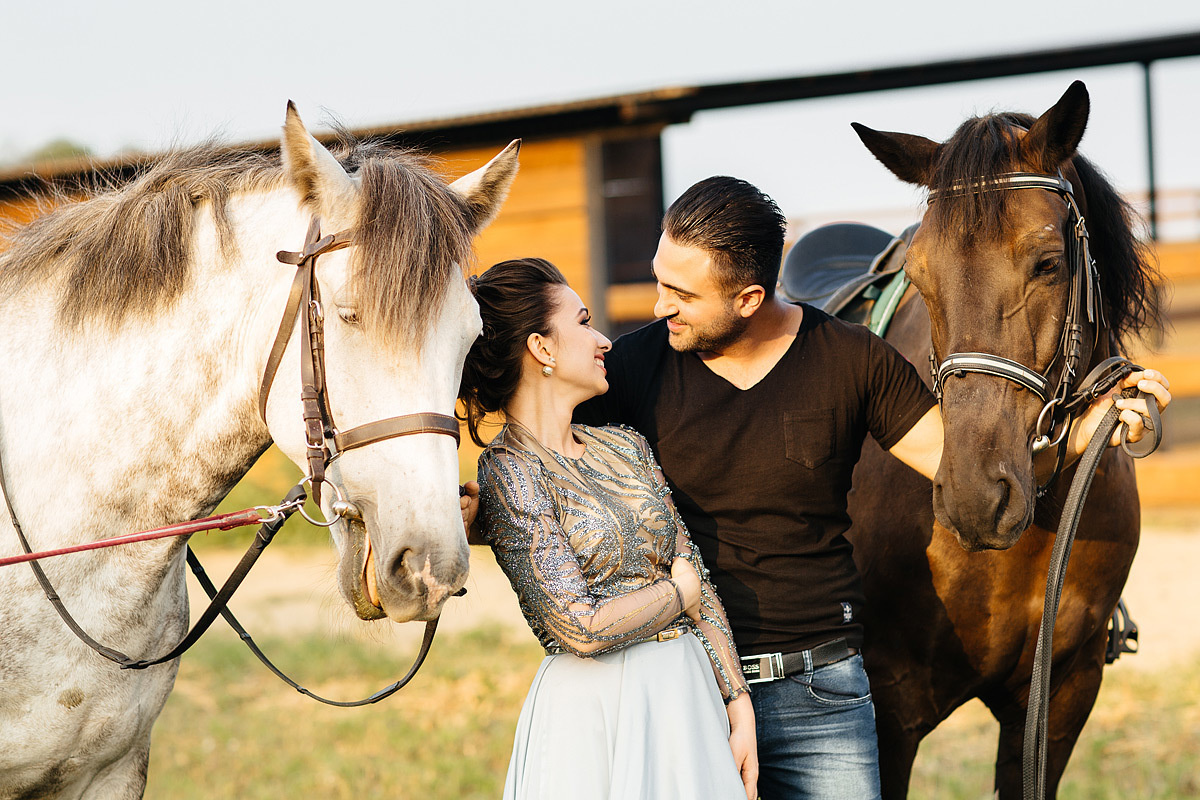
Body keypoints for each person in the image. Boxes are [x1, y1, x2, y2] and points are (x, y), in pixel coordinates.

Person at [461, 177, 1172, 800]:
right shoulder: (639, 368)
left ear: (748, 297)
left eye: (680, 293)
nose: (658, 307)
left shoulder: (851, 359)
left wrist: (1090, 431)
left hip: (822, 695)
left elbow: (964, 471)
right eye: (659, 280)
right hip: (690, 686)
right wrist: (465, 506)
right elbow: (543, 459)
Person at [459, 257, 758, 800]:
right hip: (595, 713)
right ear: (542, 349)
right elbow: (581, 627)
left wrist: (738, 702)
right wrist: (676, 593)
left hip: (687, 695)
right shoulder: (508, 471)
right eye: (582, 321)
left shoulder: (625, 445)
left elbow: (698, 578)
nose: (603, 339)